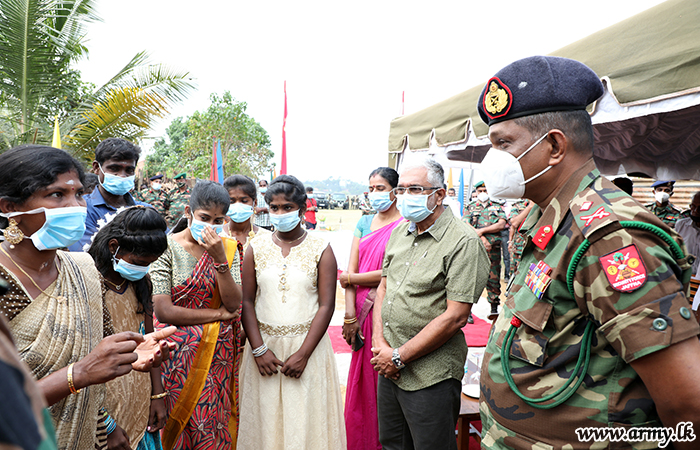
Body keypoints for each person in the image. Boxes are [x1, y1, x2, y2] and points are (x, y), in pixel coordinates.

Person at [477, 55, 700, 449]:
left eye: (504, 143)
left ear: (554, 146)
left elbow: (687, 404)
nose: (492, 158)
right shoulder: (550, 216)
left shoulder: (610, 238)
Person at [0, 145, 175, 450]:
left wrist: (131, 353)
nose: (76, 206)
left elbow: (96, 357)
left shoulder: (83, 269)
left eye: (79, 194)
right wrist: (77, 374)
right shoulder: (4, 281)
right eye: (57, 195)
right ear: (9, 207)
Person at [370, 159, 489, 450]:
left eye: (415, 189)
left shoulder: (463, 241)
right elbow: (384, 287)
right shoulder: (400, 231)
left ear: (439, 195)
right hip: (389, 366)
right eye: (401, 190)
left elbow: (456, 316)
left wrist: (398, 357)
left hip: (430, 374)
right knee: (392, 443)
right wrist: (380, 344)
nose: (405, 196)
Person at [238, 175, 346, 449]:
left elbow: (326, 305)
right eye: (274, 207)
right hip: (264, 351)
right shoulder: (255, 247)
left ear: (301, 208)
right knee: (265, 423)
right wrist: (259, 350)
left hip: (308, 349)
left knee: (306, 423)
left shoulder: (321, 248)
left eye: (287, 207)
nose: (280, 213)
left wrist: (303, 354)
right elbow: (247, 302)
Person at [150, 181, 242, 450]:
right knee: (175, 424)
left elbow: (234, 303)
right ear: (188, 213)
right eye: (204, 218)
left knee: (210, 423)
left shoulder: (228, 249)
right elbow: (164, 310)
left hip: (216, 357)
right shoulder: (165, 248)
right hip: (174, 356)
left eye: (218, 220)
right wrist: (217, 314)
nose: (211, 226)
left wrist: (220, 259)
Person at [87, 206, 170, 450]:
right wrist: (106, 424)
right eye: (140, 262)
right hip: (103, 405)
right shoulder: (88, 284)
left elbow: (150, 341)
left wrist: (157, 395)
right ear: (114, 247)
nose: (144, 269)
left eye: (150, 264)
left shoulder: (141, 283)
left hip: (139, 399)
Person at [339, 167, 403, 450]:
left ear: (395, 191)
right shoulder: (364, 222)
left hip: (388, 309)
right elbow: (350, 270)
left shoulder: (405, 224)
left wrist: (351, 278)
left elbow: (392, 272)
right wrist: (349, 316)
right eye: (371, 188)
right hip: (361, 312)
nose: (374, 193)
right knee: (362, 380)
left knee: (385, 376)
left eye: (380, 188)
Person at [69, 137, 150, 251]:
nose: (122, 175)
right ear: (97, 168)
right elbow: (86, 252)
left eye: (129, 170)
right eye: (114, 168)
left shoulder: (146, 210)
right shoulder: (81, 209)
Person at [463, 181, 507, 315]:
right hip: (475, 249)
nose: (482, 193)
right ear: (476, 192)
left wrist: (481, 231)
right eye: (480, 191)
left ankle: (494, 309)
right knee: (471, 279)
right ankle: (467, 312)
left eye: (485, 190)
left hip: (493, 250)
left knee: (494, 279)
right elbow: (465, 223)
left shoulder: (497, 206)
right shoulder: (470, 207)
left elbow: (501, 224)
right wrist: (482, 238)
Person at [222, 175, 271, 250]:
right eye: (232, 201)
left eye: (244, 201)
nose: (238, 205)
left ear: (255, 203)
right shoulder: (217, 236)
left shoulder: (266, 238)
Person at [674, 191, 700, 276]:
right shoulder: (681, 225)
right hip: (683, 276)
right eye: (693, 206)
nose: (695, 211)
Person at [507, 199, 533, 277]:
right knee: (515, 274)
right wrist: (530, 207)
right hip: (518, 247)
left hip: (535, 247)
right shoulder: (518, 205)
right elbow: (514, 223)